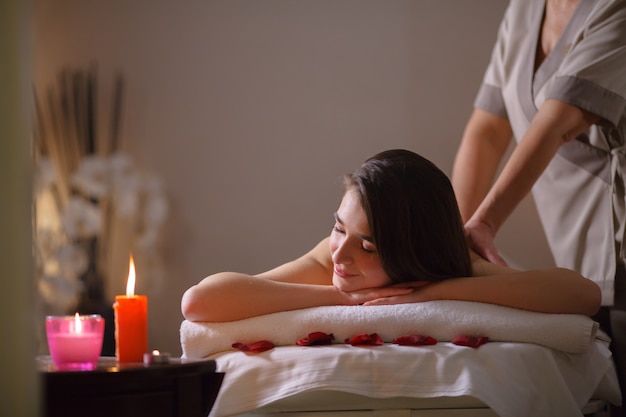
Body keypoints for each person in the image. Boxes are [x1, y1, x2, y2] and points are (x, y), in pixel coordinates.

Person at [181, 149, 600, 324]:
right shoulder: (329, 262)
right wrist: (344, 298)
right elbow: (200, 302)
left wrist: (434, 292)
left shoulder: (453, 266)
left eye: (367, 246)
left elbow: (582, 295)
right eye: (337, 227)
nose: (341, 252)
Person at [450, 0, 625, 414]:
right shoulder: (525, 9)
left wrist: (484, 224)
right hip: (579, 252)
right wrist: (452, 237)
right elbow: (488, 130)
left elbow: (559, 121)